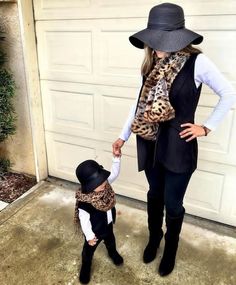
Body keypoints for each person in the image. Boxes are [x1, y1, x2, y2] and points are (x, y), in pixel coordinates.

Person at [112, 3, 236, 277]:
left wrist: (206, 128)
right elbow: (138, 105)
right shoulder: (149, 64)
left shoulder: (197, 62)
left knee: (173, 202)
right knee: (154, 195)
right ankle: (155, 238)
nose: (154, 46)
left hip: (179, 147)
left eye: (160, 40)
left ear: (177, 38)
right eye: (152, 40)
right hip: (150, 142)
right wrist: (122, 137)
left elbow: (229, 93)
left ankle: (170, 247)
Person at [74, 157, 123, 284]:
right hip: (94, 232)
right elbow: (84, 220)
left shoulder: (104, 185)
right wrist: (89, 236)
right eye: (98, 183)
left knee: (111, 241)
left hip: (107, 226)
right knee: (88, 252)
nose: (104, 184)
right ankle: (86, 267)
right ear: (89, 186)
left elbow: (114, 173)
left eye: (103, 180)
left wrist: (116, 158)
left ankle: (112, 253)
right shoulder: (84, 202)